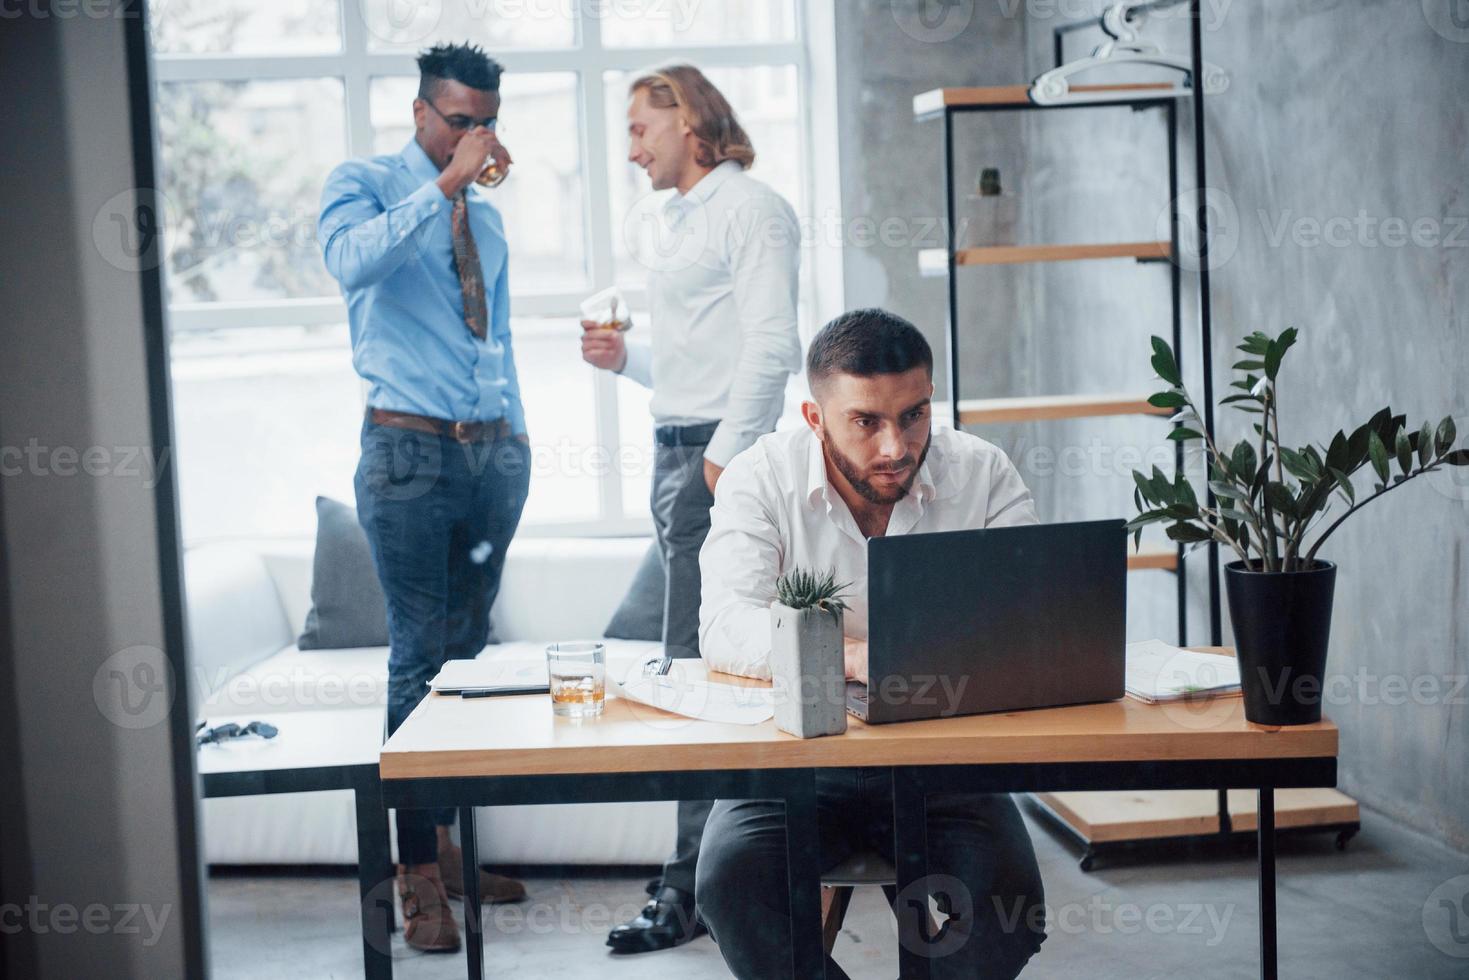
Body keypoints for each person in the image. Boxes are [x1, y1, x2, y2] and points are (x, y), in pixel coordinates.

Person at [694, 308, 1048, 979]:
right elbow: (724, 626)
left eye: (914, 415)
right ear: (813, 418)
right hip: (794, 761)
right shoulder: (758, 478)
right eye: (865, 421)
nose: (895, 446)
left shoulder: (982, 472)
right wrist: (849, 655)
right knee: (729, 887)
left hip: (946, 761)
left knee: (1010, 907)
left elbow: (1026, 616)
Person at [580, 64, 802, 954]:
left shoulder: (750, 209)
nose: (632, 149)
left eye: (641, 129)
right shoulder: (683, 222)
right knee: (687, 666)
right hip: (680, 446)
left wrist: (719, 463)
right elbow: (692, 364)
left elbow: (773, 345)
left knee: (691, 670)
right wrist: (626, 360)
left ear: (689, 119)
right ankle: (710, 879)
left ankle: (689, 892)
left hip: (710, 457)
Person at [318, 42, 529, 953]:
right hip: (405, 454)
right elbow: (352, 264)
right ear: (418, 113)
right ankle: (413, 882)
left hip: (491, 457)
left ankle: (443, 847)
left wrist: (515, 434)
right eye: (458, 119)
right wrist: (444, 183)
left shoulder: (483, 219)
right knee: (416, 659)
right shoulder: (364, 184)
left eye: (486, 121)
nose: (475, 135)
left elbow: (495, 337)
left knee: (466, 657)